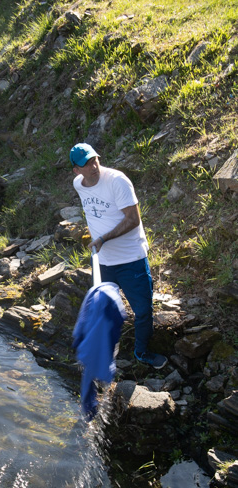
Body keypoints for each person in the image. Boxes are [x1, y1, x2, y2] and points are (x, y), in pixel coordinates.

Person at [70, 142, 168, 370]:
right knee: (101, 310)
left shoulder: (117, 181)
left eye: (95, 160)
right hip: (102, 261)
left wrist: (103, 239)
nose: (94, 166)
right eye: (86, 164)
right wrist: (97, 240)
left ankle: (141, 352)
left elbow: (133, 219)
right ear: (77, 170)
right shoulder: (79, 185)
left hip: (131, 259)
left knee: (143, 311)